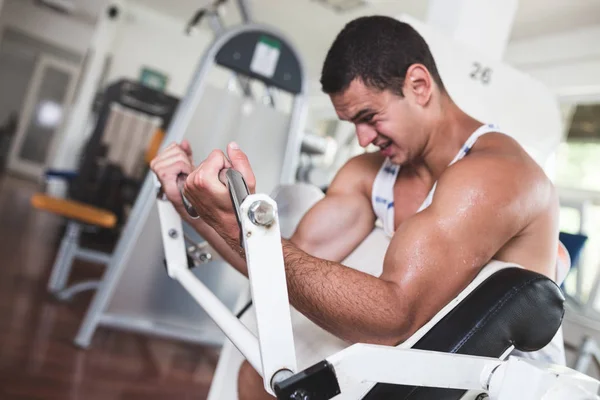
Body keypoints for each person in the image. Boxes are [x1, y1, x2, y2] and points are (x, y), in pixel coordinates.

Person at [151, 16, 567, 400]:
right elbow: (283, 262)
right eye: (353, 123)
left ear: (419, 85)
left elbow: (392, 317)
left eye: (370, 117)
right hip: (417, 353)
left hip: (499, 382)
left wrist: (233, 224)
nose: (364, 138)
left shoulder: (494, 175)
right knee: (254, 376)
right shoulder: (371, 174)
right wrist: (198, 208)